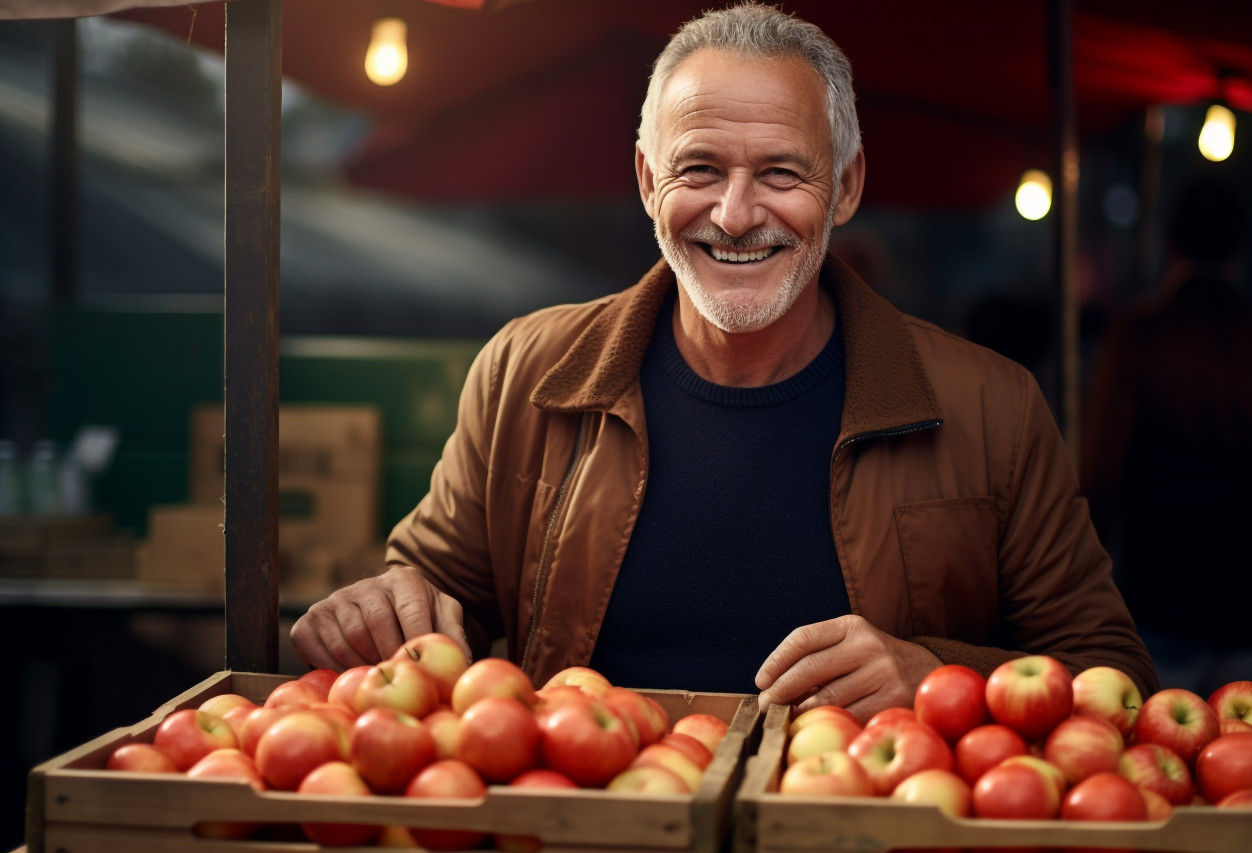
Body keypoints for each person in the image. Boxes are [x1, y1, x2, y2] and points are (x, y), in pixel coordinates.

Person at [292, 2, 1157, 720]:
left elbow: (1113, 676)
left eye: (782, 173)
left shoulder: (992, 406)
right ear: (645, 181)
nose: (736, 214)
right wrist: (387, 601)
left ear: (847, 188)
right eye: (699, 168)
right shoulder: (523, 373)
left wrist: (934, 679)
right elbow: (429, 590)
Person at [1082, 179, 1252, 697]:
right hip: (1249, 602)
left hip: (1157, 598)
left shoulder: (1139, 338)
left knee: (1153, 757)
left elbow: (1099, 474)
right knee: (1244, 769)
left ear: (1169, 243)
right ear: (1239, 249)